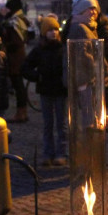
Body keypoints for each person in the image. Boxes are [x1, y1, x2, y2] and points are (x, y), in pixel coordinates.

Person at [22, 20, 67, 166]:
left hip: (61, 91)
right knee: (48, 124)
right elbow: (26, 67)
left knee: (62, 124)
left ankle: (61, 153)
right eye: (49, 30)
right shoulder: (39, 49)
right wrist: (37, 77)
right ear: (44, 33)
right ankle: (48, 153)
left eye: (55, 29)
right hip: (46, 91)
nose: (53, 32)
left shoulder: (64, 48)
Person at [0, 0, 29, 122]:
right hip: (17, 56)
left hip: (15, 58)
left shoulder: (14, 22)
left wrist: (4, 45)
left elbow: (16, 41)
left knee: (18, 86)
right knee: (18, 85)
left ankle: (21, 113)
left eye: (8, 7)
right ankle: (22, 112)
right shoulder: (17, 20)